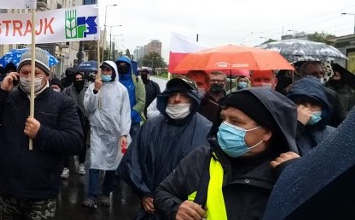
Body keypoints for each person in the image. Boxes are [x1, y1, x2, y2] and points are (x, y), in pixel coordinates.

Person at [0, 47, 84, 219]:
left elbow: (75, 142)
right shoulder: (9, 98)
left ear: (47, 74)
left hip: (42, 191)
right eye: (24, 72)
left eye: (35, 73)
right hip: (10, 188)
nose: (29, 77)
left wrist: (41, 133)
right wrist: (0, 91)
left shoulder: (62, 102)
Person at [154, 88, 300, 220]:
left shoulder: (286, 172)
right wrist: (175, 209)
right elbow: (163, 192)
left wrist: (299, 179)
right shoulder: (201, 158)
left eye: (235, 121)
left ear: (267, 132)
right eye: (223, 119)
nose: (224, 127)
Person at [118, 77, 212, 220]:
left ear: (193, 99)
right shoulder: (151, 127)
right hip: (150, 210)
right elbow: (133, 164)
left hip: (187, 213)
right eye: (172, 94)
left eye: (184, 95)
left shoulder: (206, 130)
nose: (176, 99)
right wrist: (143, 194)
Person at [82, 61, 131, 209]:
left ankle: (106, 193)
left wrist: (124, 133)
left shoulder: (121, 90)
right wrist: (96, 91)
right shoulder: (93, 87)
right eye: (103, 70)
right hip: (98, 132)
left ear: (114, 72)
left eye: (108, 70)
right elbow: (88, 108)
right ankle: (92, 196)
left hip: (115, 134)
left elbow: (125, 113)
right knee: (95, 163)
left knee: (112, 164)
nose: (105, 73)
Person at [287, 76, 336, 156]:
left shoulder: (334, 135)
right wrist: (297, 126)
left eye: (314, 104)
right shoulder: (281, 132)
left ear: (323, 108)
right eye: (301, 103)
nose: (307, 109)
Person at [299, 61, 346, 127]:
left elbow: (341, 121)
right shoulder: (295, 95)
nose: (319, 76)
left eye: (321, 73)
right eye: (314, 73)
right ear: (303, 75)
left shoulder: (331, 95)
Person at [61, 71, 90, 177]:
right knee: (68, 143)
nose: (79, 81)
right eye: (76, 79)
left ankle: (82, 164)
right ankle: (65, 167)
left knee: (83, 144)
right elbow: (61, 102)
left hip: (83, 120)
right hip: (70, 120)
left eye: (80, 79)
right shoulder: (67, 90)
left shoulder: (88, 90)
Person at [115, 56, 146, 139]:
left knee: (135, 143)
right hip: (117, 120)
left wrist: (130, 115)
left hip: (134, 119)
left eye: (125, 65)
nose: (122, 66)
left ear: (129, 66)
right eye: (120, 65)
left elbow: (141, 101)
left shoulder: (137, 80)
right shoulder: (115, 81)